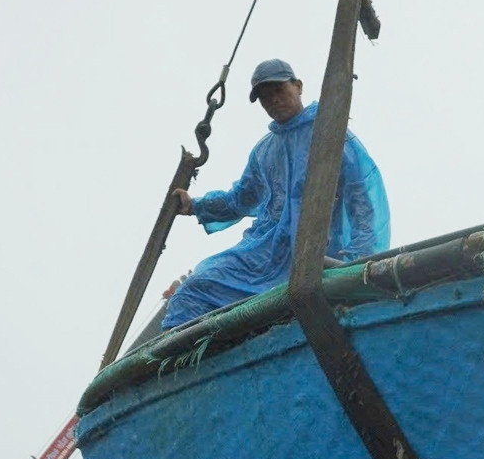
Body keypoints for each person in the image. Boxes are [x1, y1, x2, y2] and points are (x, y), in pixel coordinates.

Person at [164, 58, 390, 328]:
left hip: (316, 255)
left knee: (299, 307)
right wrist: (196, 206)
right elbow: (240, 198)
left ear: (298, 86)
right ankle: (200, 362)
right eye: (264, 97)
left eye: (279, 90)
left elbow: (363, 203)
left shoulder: (331, 134)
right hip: (264, 254)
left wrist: (355, 266)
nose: (273, 101)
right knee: (195, 288)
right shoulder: (265, 151)